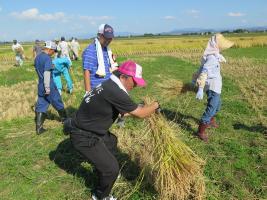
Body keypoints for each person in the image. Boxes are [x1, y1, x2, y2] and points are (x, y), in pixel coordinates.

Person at [64, 60, 160, 200]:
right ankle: (101, 195)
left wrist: (140, 108)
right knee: (111, 169)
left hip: (89, 128)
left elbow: (123, 111)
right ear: (123, 77)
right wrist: (155, 106)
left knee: (111, 141)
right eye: (134, 82)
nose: (135, 86)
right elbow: (140, 114)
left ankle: (102, 167)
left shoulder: (110, 84)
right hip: (84, 136)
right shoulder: (115, 91)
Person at [193, 33, 234, 142]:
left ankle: (210, 120)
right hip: (212, 88)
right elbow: (204, 72)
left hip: (216, 87)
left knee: (217, 106)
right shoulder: (211, 58)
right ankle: (200, 131)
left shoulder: (215, 55)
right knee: (211, 108)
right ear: (215, 45)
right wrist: (201, 89)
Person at [34, 41, 67, 134]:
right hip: (49, 84)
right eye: (54, 51)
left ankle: (39, 128)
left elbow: (40, 69)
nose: (54, 53)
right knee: (57, 101)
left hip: (40, 84)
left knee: (41, 104)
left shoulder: (38, 57)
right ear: (50, 49)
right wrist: (47, 88)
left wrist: (51, 66)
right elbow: (47, 73)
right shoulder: (47, 58)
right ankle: (66, 120)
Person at [82, 24, 118, 96]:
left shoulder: (107, 49)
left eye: (110, 38)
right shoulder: (90, 50)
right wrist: (88, 93)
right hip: (96, 91)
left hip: (108, 88)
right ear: (99, 35)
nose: (108, 40)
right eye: (106, 37)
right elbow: (86, 71)